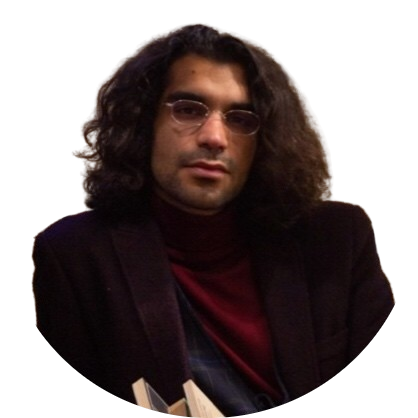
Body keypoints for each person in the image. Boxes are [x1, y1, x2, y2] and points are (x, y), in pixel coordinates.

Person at [32, 24, 394, 415]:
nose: (215, 137)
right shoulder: (74, 255)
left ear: (262, 140)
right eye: (188, 110)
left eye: (240, 118)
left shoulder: (338, 239)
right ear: (145, 121)